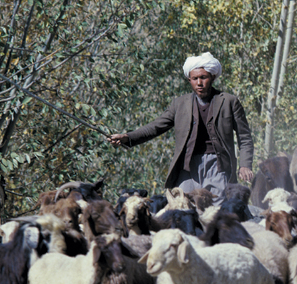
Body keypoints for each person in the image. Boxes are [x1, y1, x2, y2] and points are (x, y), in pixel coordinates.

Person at [107, 53, 253, 197]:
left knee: (215, 209)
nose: (199, 83)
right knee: (182, 207)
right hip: (187, 165)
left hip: (218, 164)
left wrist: (245, 165)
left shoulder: (229, 101)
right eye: (195, 78)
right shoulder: (179, 104)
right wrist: (127, 137)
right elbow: (155, 127)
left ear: (212, 77)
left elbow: (244, 137)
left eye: (203, 77)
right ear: (189, 79)